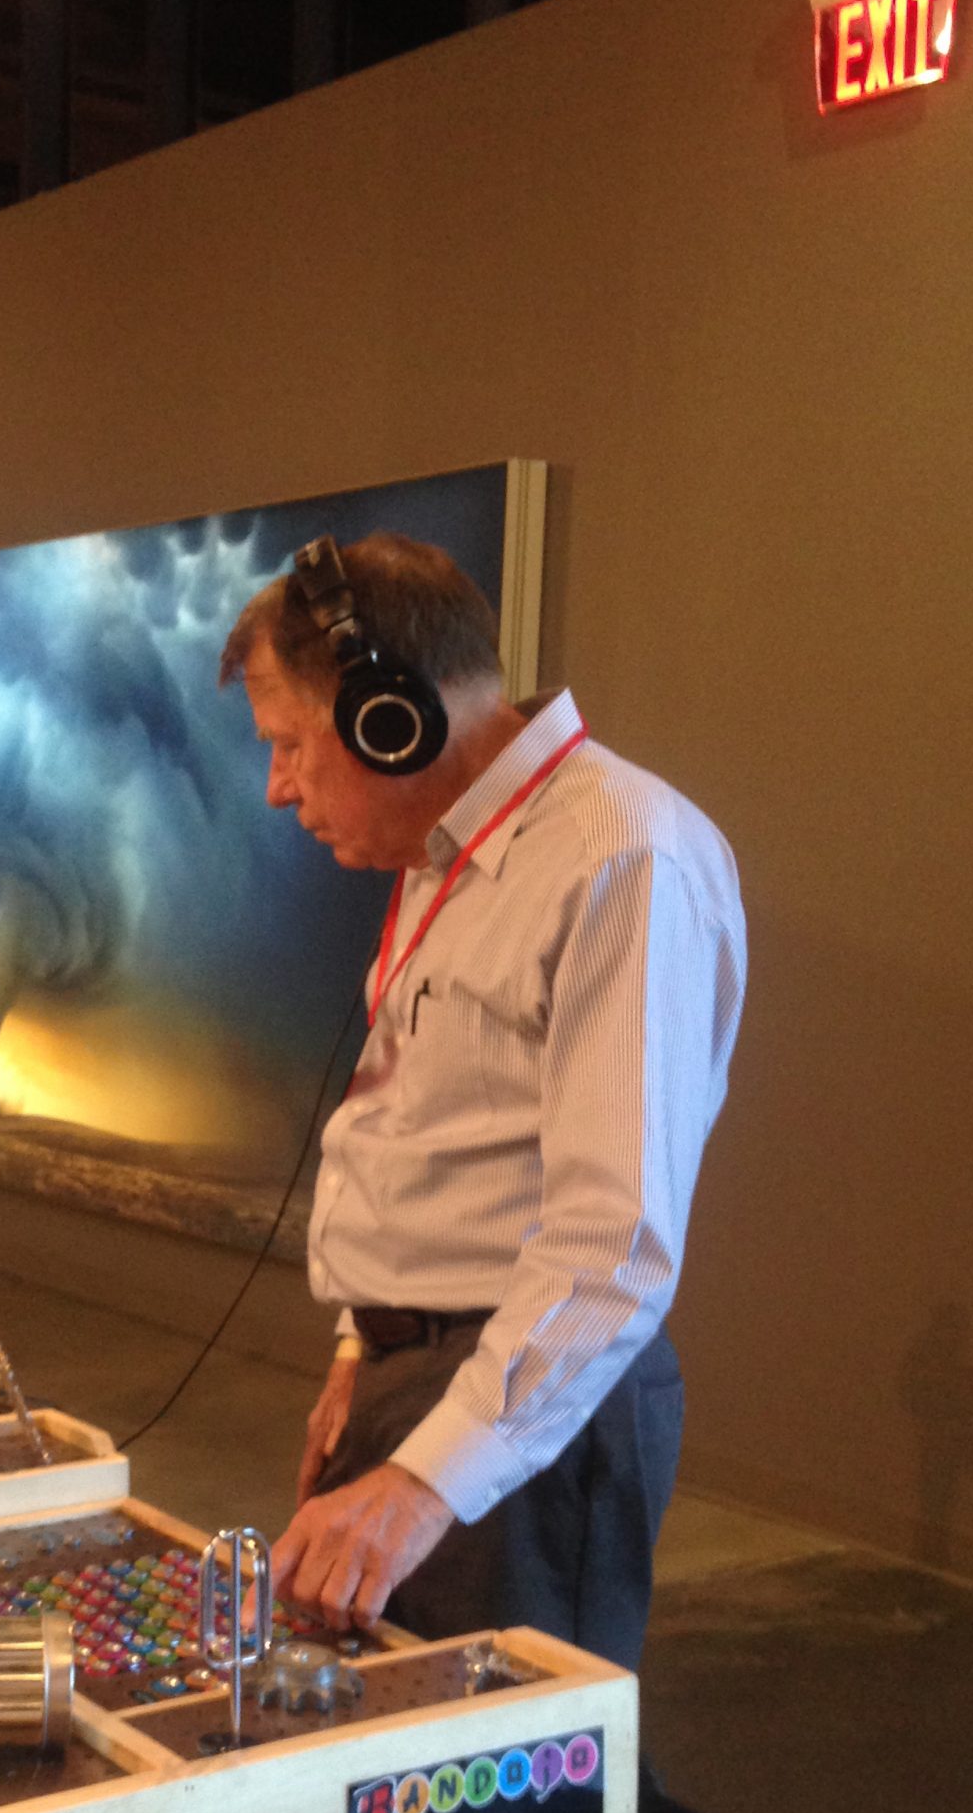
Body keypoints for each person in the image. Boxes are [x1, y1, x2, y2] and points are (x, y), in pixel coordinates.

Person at [222, 532, 745, 1669]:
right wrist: (364, 1347)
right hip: (427, 1383)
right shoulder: (449, 854)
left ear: (388, 719)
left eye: (288, 746)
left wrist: (419, 1482)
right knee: (417, 1779)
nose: (277, 788)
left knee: (521, 1794)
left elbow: (613, 1246)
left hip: (527, 1427)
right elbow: (436, 1127)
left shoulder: (621, 856)